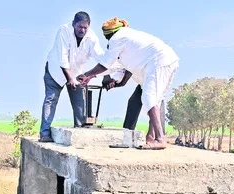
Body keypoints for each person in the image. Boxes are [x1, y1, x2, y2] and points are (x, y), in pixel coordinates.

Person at [78, 17, 178, 150]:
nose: (108, 42)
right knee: (155, 100)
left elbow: (106, 64)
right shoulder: (128, 40)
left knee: (149, 98)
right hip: (166, 61)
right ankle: (151, 138)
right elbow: (119, 68)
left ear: (109, 34)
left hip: (158, 61)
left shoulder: (117, 38)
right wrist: (113, 80)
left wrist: (86, 75)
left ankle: (160, 139)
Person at [39, 12, 106, 142]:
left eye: (85, 27)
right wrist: (69, 79)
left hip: (75, 73)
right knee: (51, 100)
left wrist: (104, 74)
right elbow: (62, 58)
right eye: (80, 27)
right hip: (55, 71)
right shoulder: (64, 31)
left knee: (80, 102)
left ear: (89, 26)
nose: (82, 30)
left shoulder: (92, 38)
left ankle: (79, 132)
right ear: (73, 24)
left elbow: (101, 58)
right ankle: (44, 134)